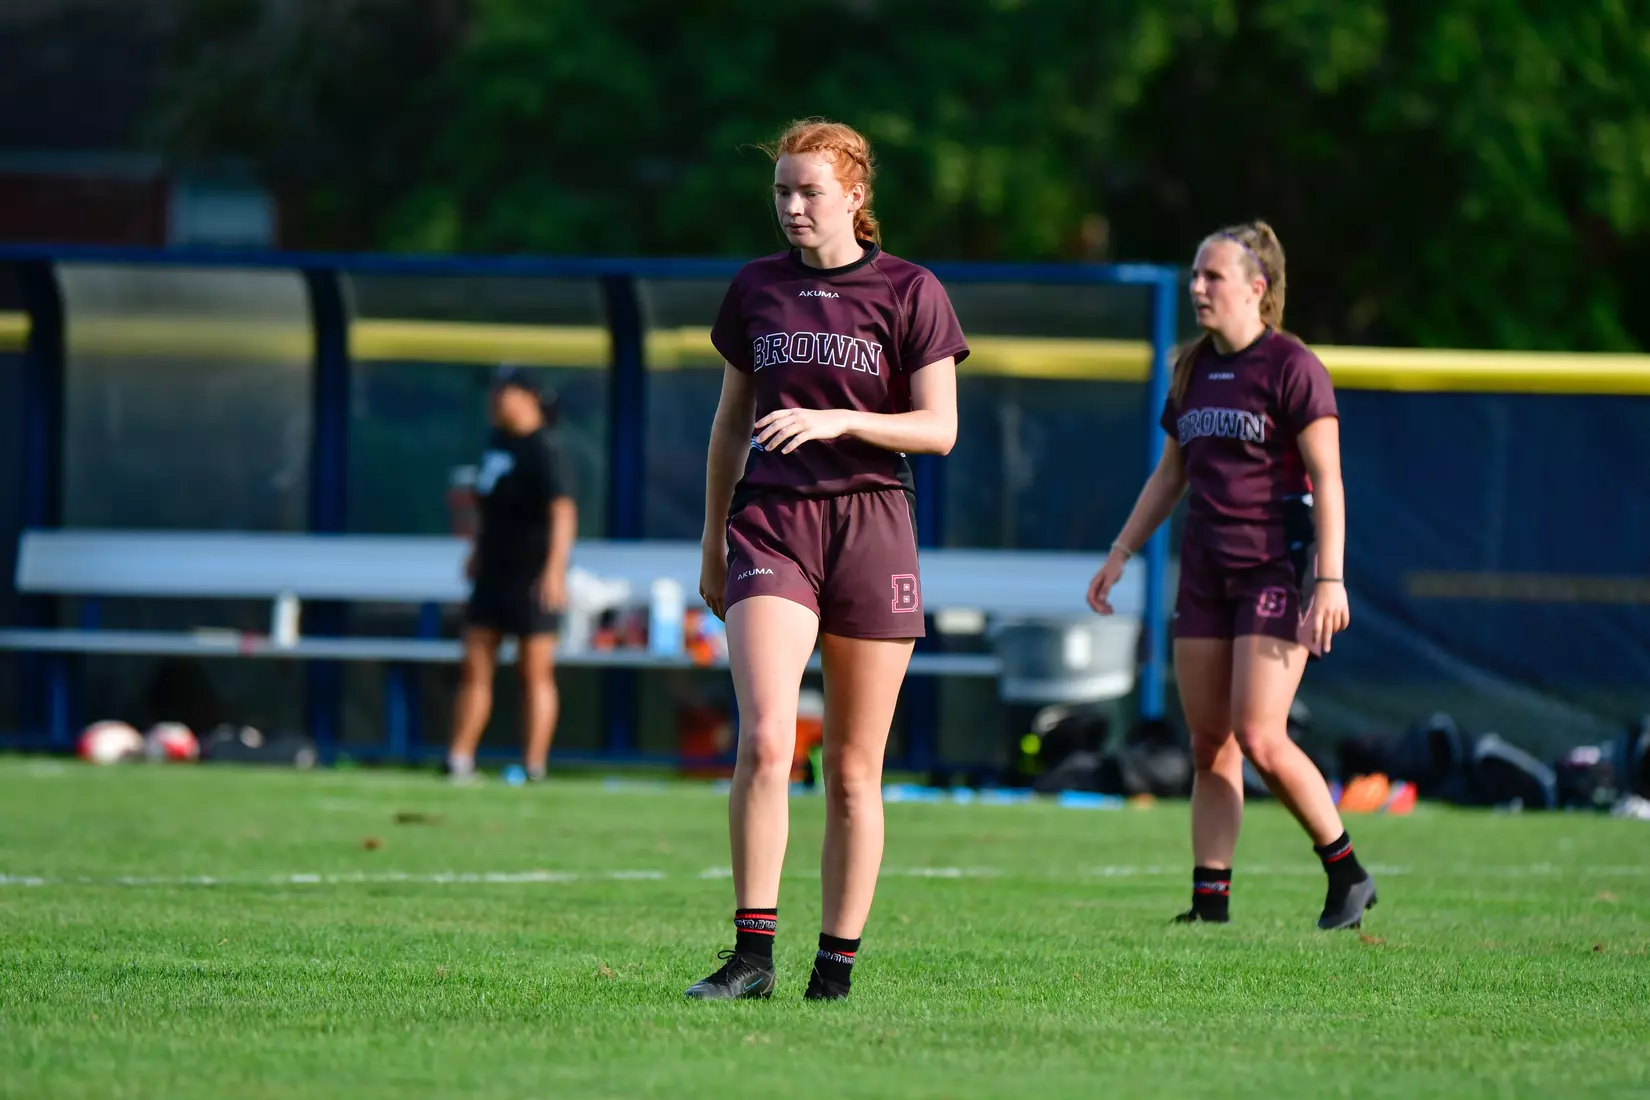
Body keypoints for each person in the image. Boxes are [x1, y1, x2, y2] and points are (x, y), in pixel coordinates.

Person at [684, 117, 968, 1000]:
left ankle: (834, 968)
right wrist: (711, 538)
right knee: (769, 738)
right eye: (782, 192)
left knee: (852, 768)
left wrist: (842, 420)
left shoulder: (910, 290)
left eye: (810, 191)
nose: (794, 207)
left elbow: (939, 429)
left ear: (855, 194)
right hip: (773, 523)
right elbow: (732, 423)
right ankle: (751, 958)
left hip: (873, 524)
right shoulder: (756, 289)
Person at [1087, 220, 1377, 930]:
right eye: (1194, 275)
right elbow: (1171, 474)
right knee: (1207, 740)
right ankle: (1209, 902)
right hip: (1206, 574)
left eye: (1211, 277)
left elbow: (1328, 479)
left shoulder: (1292, 366)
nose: (1197, 288)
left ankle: (1348, 872)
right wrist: (1123, 549)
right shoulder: (1191, 367)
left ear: (1257, 288)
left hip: (1271, 571)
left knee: (1261, 735)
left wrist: (1330, 579)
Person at [445, 366, 577, 784]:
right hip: (493, 572)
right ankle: (459, 759)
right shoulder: (497, 442)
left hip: (531, 575)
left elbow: (563, 511)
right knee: (474, 663)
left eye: (503, 391)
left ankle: (533, 765)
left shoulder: (545, 449)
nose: (495, 400)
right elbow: (489, 505)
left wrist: (554, 572)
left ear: (527, 396)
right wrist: (477, 549)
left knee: (534, 671)